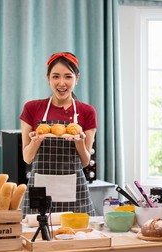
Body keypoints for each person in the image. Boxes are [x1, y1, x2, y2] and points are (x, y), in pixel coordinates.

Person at [20, 52, 97, 216]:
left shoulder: (87, 111)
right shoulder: (32, 108)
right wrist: (36, 141)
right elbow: (27, 158)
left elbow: (85, 162)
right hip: (40, 188)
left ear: (77, 78)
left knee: (77, 237)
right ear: (48, 78)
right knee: (37, 236)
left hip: (74, 188)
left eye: (68, 77)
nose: (61, 83)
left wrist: (78, 141)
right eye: (56, 76)